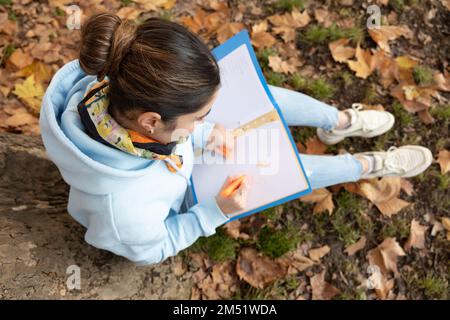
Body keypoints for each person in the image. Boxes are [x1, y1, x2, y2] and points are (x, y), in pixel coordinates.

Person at [39, 13, 432, 265]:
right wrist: (215, 212)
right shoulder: (122, 213)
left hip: (176, 156)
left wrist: (203, 133)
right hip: (189, 195)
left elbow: (168, 136)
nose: (205, 121)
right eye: (199, 116)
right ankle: (365, 165)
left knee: (266, 99)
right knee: (280, 170)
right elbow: (157, 248)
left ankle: (338, 121)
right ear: (151, 121)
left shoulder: (119, 85)